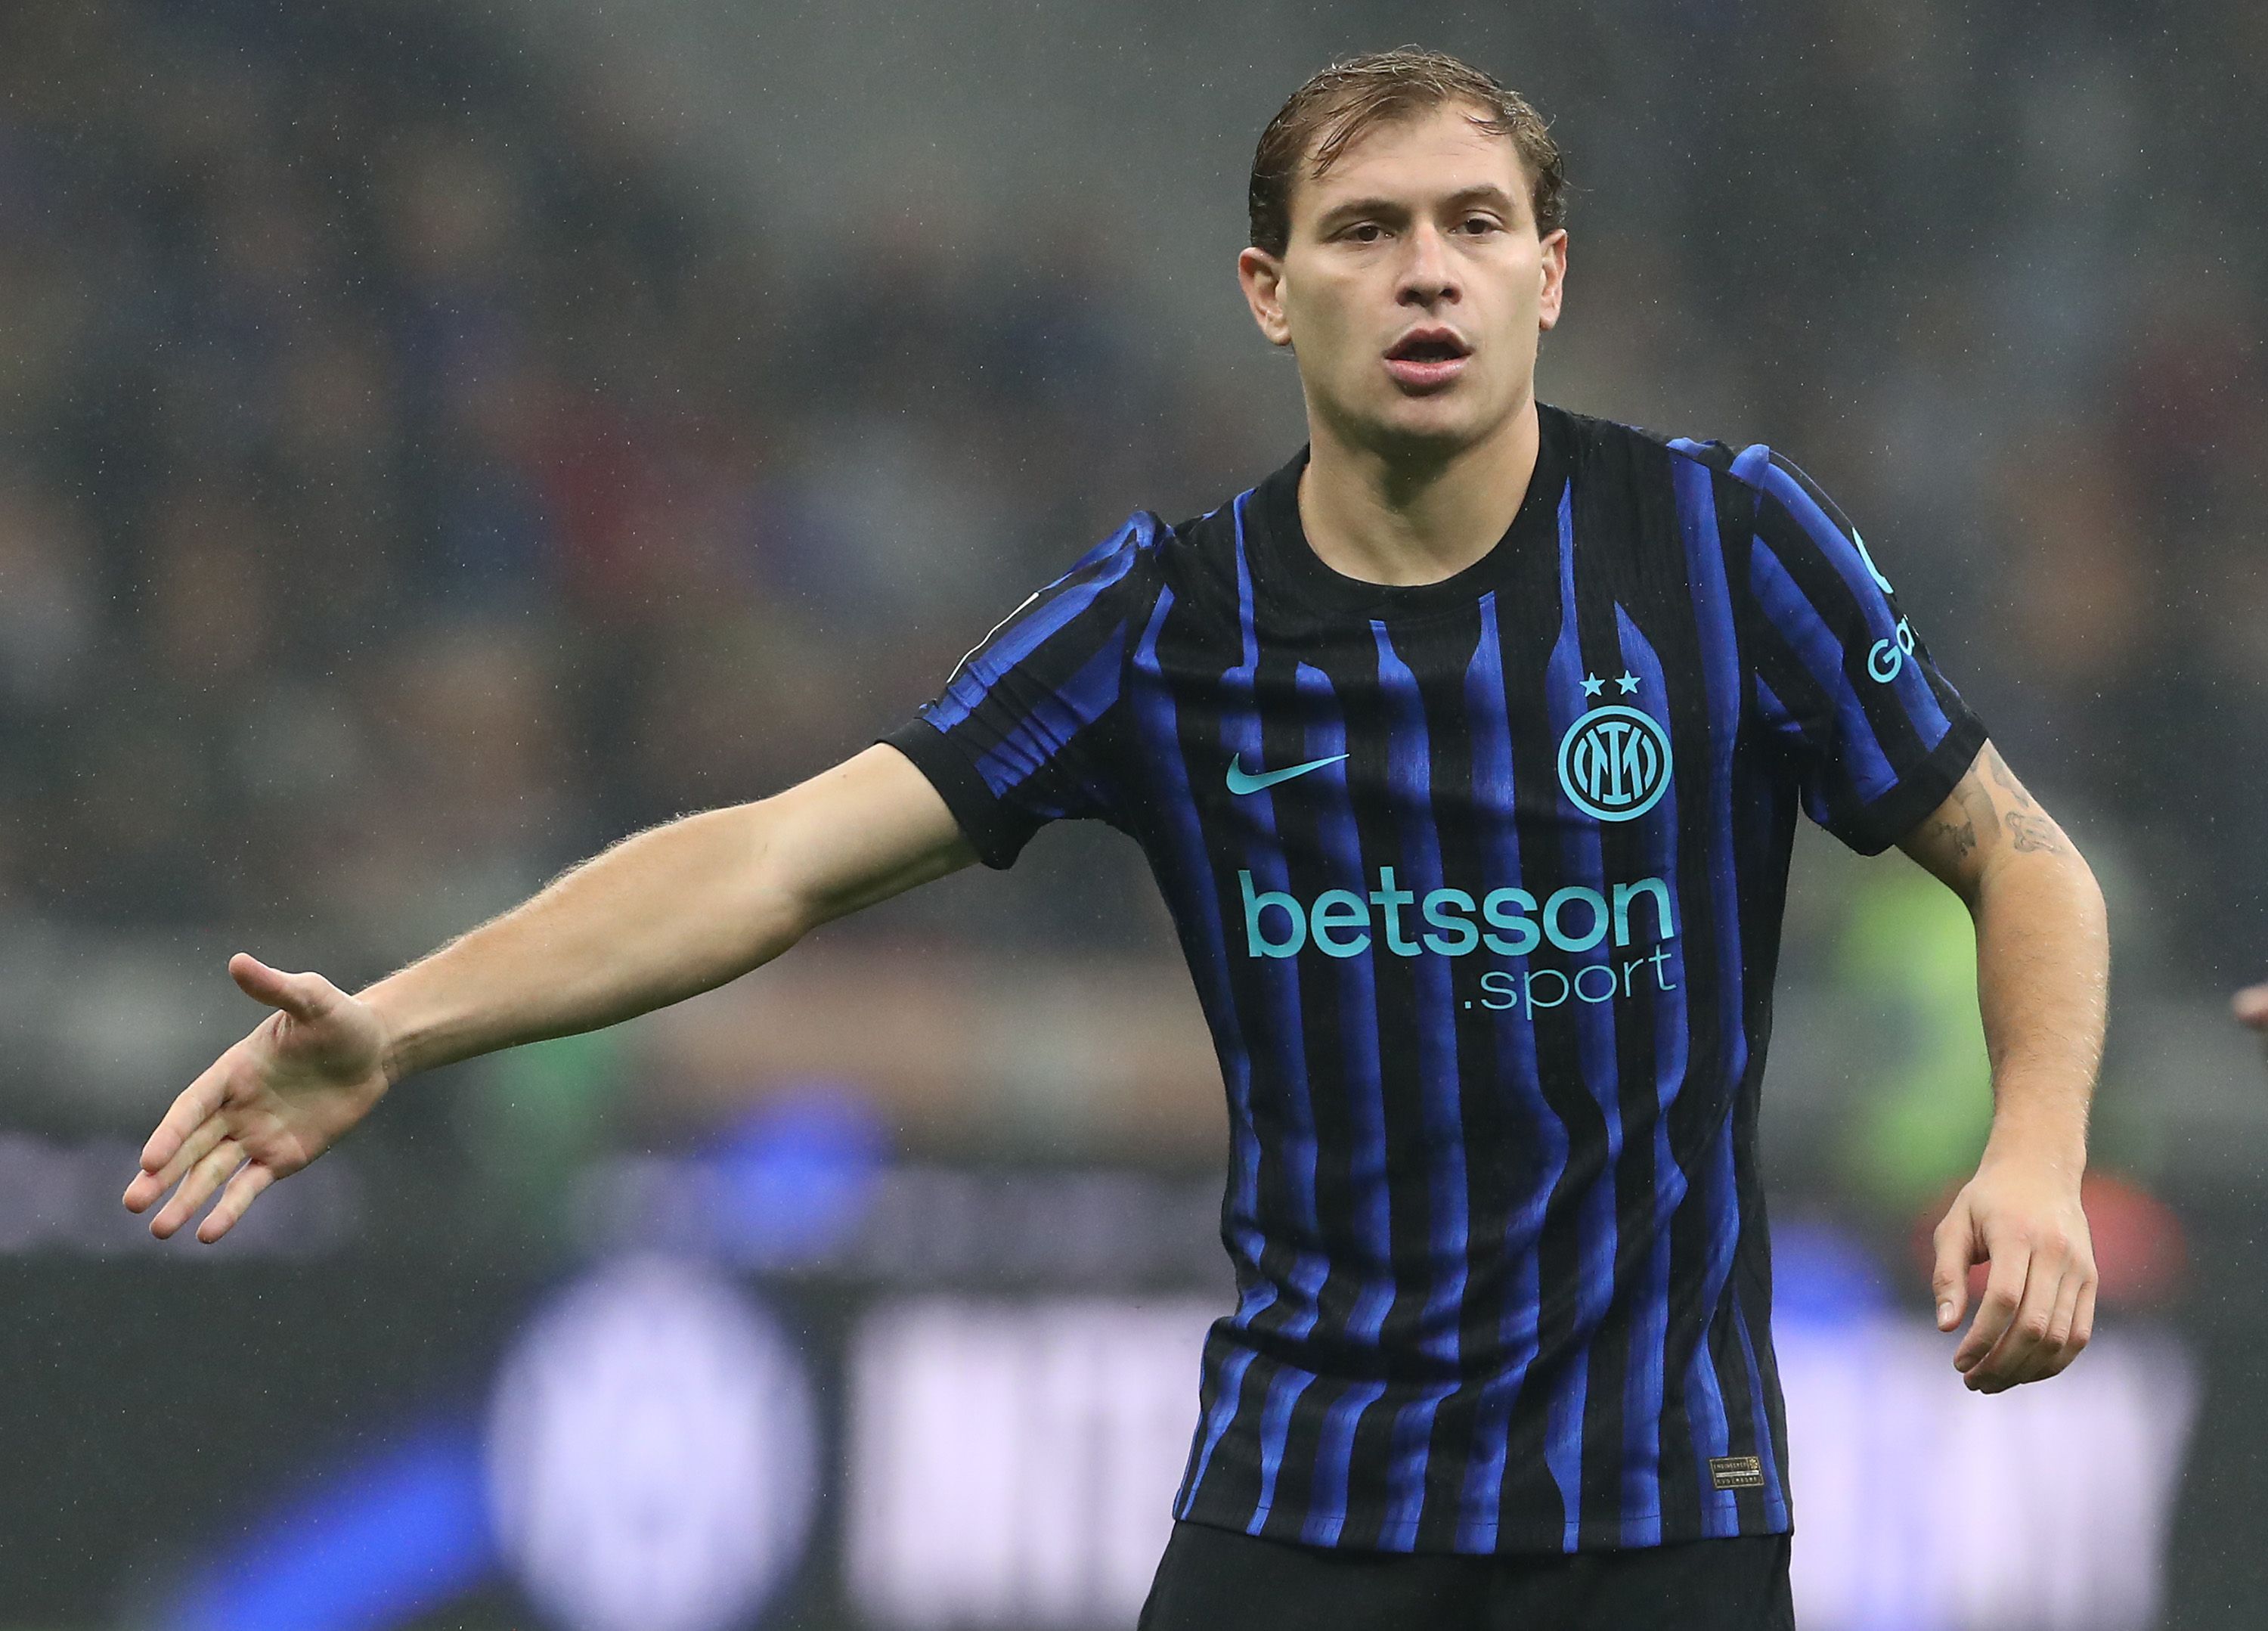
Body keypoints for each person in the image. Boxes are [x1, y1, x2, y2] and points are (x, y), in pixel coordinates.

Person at [122, 47, 2109, 1631]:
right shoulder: (1167, 622)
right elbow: (774, 858)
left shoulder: (1719, 546)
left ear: (1550, 275)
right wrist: (402, 1021)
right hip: (1309, 1502)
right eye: (1365, 230)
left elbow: (2023, 860)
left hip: (1658, 1512)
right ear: (1268, 290)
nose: (1427, 271)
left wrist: (2031, 1156)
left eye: (1477, 225)